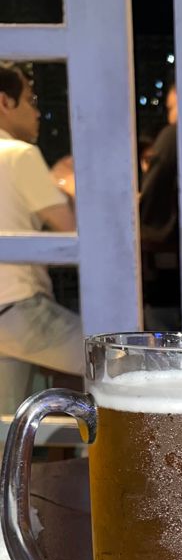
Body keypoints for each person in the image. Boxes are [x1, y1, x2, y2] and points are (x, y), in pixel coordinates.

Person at [0, 62, 83, 381]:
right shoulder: (20, 154)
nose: (37, 113)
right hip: (18, 307)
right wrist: (71, 190)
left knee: (9, 417)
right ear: (5, 102)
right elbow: (70, 229)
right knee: (114, 361)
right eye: (31, 101)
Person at [138, 83, 181, 331]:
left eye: (172, 107)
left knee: (163, 355)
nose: (170, 115)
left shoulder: (173, 136)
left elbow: (151, 212)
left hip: (164, 280)